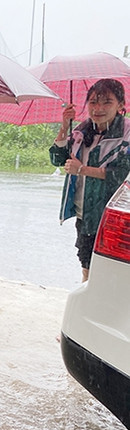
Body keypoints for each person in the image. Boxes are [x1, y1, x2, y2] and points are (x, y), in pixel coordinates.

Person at [50, 78, 130, 282]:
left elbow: (122, 176)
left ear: (121, 105)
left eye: (107, 102)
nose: (98, 108)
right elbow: (56, 159)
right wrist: (64, 126)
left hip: (115, 217)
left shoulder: (126, 134)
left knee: (114, 272)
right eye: (93, 102)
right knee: (87, 265)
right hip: (85, 213)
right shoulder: (82, 131)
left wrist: (83, 169)